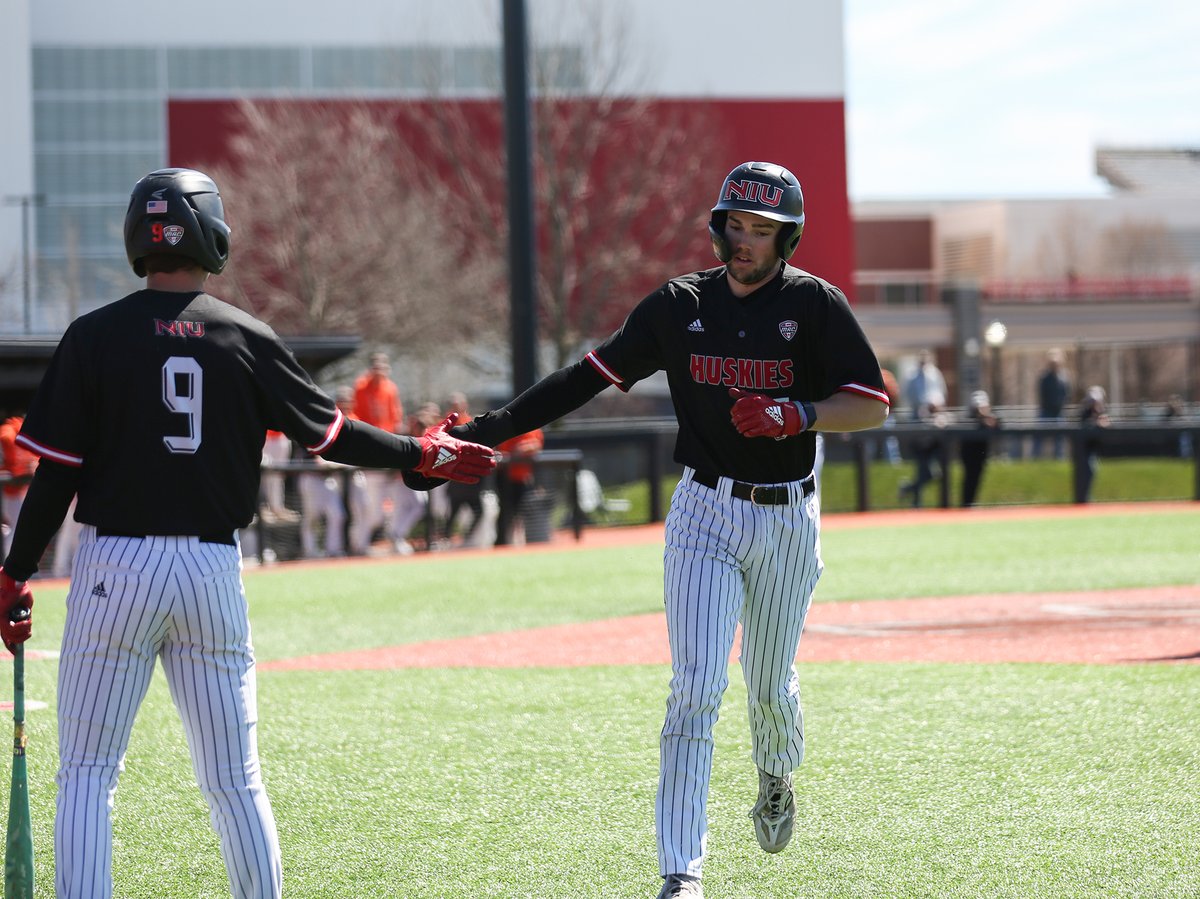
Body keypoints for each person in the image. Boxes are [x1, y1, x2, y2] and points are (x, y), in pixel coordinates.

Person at [0, 168, 494, 899]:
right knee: (235, 782)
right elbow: (332, 436)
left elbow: (56, 477)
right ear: (212, 231)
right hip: (210, 569)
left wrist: (15, 575)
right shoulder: (244, 334)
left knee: (88, 773)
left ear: (139, 236)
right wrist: (419, 451)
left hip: (115, 566)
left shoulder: (93, 335)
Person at [404, 161, 889, 898]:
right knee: (695, 687)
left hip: (789, 513)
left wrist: (800, 413)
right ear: (719, 225)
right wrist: (483, 433)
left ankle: (775, 771)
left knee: (769, 687)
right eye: (735, 224)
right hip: (702, 508)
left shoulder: (815, 305)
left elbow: (871, 403)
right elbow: (581, 379)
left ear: (787, 236)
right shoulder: (678, 304)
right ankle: (682, 871)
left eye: (761, 230)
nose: (745, 240)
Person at [441, 392, 486, 546]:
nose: (456, 407)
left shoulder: (469, 421)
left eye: (458, 404)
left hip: (469, 474)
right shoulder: (445, 424)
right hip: (455, 475)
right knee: (452, 512)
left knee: (478, 511)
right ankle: (445, 540)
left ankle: (466, 539)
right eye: (453, 404)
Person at [493, 427, 546, 546]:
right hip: (506, 478)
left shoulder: (534, 429)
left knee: (523, 510)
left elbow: (537, 445)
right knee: (506, 511)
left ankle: (526, 541)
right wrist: (522, 449)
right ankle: (501, 542)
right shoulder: (509, 427)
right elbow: (504, 450)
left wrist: (525, 448)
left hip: (524, 478)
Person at [1, 411, 38, 560]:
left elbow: (34, 460)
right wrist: (18, 467)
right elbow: (6, 438)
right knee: (13, 528)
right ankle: (8, 563)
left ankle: (9, 563)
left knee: (13, 528)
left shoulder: (22, 431)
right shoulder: (10, 430)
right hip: (8, 491)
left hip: (15, 491)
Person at [959, 390, 1001, 507]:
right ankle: (966, 504)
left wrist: (991, 422)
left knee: (977, 479)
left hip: (981, 455)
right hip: (969, 454)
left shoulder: (989, 419)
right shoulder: (969, 420)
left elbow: (999, 426)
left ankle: (971, 503)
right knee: (969, 479)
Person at [1033, 347, 1070, 459]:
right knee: (1038, 437)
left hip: (1059, 413)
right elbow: (1042, 395)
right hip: (1046, 412)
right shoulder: (1044, 378)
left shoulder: (1064, 378)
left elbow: (1066, 395)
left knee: (1059, 439)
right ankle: (1035, 458)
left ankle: (1059, 458)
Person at [1076, 384, 1111, 501]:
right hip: (1084, 449)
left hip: (1097, 448)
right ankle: (1084, 498)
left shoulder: (1102, 412)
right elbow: (1085, 426)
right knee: (1087, 471)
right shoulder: (1085, 412)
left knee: (1092, 471)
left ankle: (1087, 497)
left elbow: (1107, 424)